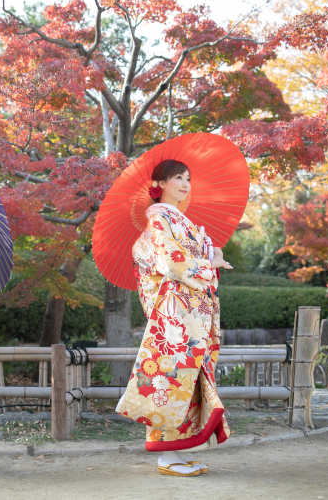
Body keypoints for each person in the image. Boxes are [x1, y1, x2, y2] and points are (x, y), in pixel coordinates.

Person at [116, 159, 233, 477]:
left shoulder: (178, 219)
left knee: (187, 382)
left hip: (188, 313)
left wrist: (212, 256)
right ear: (160, 184)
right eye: (178, 178)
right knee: (168, 380)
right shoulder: (158, 218)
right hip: (175, 318)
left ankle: (178, 453)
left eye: (188, 178)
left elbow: (187, 258)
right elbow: (172, 262)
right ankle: (166, 457)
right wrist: (210, 266)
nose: (185, 183)